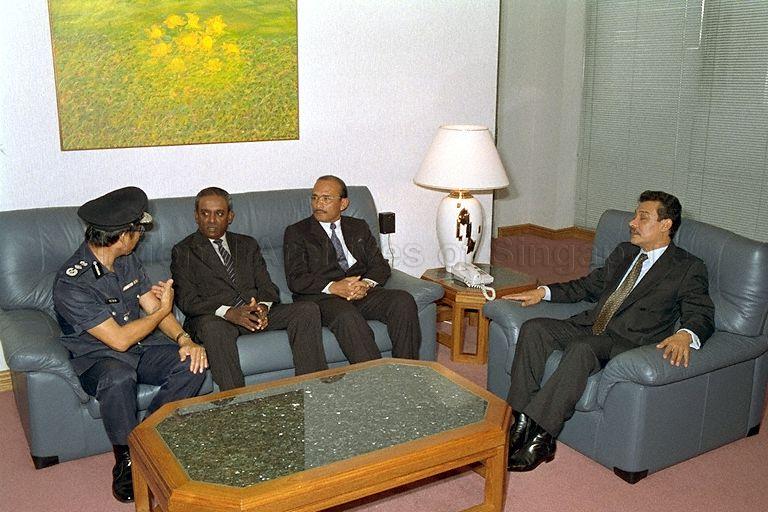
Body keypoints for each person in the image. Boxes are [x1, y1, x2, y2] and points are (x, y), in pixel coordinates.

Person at [502, 190, 715, 472]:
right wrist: (543, 292)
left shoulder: (687, 268)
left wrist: (685, 334)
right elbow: (588, 286)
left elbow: (701, 312)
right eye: (634, 215)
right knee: (534, 329)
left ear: (666, 225)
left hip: (627, 342)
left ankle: (542, 436)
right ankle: (519, 420)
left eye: (643, 217)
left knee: (583, 348)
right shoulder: (625, 253)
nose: (632, 222)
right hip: (592, 325)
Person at [53, 187, 208, 503]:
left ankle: (149, 440)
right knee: (118, 376)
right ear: (123, 236)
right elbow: (119, 340)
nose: (140, 236)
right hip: (96, 359)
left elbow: (152, 307)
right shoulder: (72, 282)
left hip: (138, 349)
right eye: (138, 230)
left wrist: (185, 339)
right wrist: (163, 310)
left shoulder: (126, 260)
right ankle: (126, 461)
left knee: (192, 363)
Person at [171, 187, 328, 391]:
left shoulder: (246, 244)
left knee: (306, 310)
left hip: (253, 313)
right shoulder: (184, 251)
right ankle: (236, 402)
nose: (211, 220)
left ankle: (313, 389)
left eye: (219, 213)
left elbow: (267, 287)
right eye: (205, 213)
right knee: (213, 329)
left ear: (230, 217)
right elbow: (187, 300)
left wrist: (262, 307)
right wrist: (229, 312)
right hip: (216, 317)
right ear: (196, 216)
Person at [283, 175, 421, 363]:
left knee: (402, 300)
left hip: (360, 292)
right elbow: (296, 279)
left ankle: (408, 371)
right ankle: (375, 378)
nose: (318, 204)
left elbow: (379, 265)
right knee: (346, 315)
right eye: (314, 197)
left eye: (326, 198)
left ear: (343, 203)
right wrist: (334, 286)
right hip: (322, 298)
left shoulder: (358, 227)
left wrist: (365, 284)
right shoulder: (297, 232)